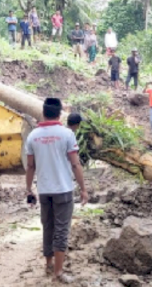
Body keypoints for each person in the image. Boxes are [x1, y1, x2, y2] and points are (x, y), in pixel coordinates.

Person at [25, 98, 88, 284]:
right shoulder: (67, 134)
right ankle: (58, 272)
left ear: (43, 113)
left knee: (48, 226)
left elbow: (30, 166)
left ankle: (49, 263)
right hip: (63, 189)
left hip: (44, 190)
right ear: (60, 114)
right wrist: (83, 189)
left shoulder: (33, 136)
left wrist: (29, 189)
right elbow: (75, 164)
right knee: (61, 229)